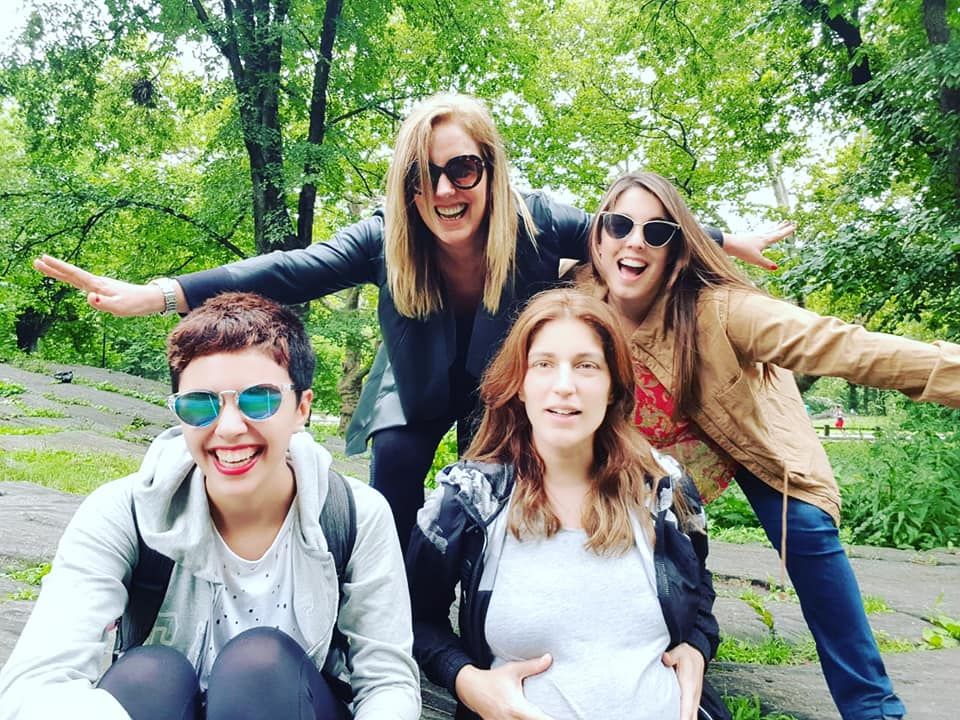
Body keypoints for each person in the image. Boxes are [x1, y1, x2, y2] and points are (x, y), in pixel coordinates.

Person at [32, 93, 792, 549]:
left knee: (494, 485)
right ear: (407, 184)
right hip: (413, 383)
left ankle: (485, 599)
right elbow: (289, 269)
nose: (446, 190)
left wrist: (724, 239)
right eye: (425, 175)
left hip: (499, 390)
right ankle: (383, 598)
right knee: (393, 469)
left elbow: (626, 229)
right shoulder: (382, 238)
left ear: (490, 169)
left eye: (463, 169)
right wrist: (163, 292)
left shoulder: (535, 224)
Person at [583, 170, 960, 720]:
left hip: (746, 435)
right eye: (619, 225)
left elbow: (840, 345)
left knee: (805, 531)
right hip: (648, 463)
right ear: (597, 236)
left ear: (676, 253)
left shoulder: (721, 310)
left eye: (657, 232)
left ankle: (873, 707)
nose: (635, 241)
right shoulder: (575, 304)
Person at [0, 293, 420, 720]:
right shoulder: (124, 510)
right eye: (200, 405)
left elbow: (387, 683)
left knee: (259, 665)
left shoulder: (353, 515)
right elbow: (36, 681)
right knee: (148, 674)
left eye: (260, 400)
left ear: (302, 409)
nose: (230, 427)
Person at [405, 289, 726, 720]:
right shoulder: (468, 498)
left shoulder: (663, 489)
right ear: (519, 384)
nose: (564, 386)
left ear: (613, 386)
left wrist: (697, 647)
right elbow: (414, 619)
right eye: (543, 364)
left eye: (586, 365)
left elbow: (699, 589)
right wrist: (466, 680)